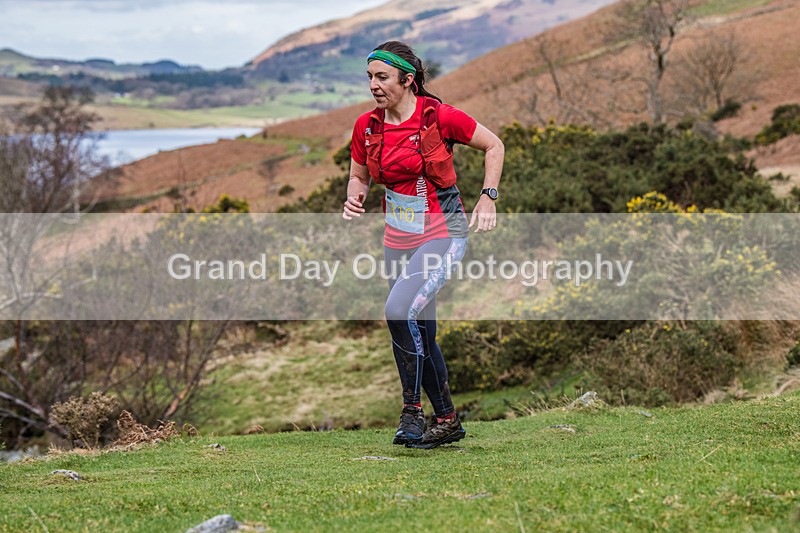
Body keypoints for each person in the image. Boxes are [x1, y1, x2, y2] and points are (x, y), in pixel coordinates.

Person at [342, 41, 504, 449]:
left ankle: (412, 412)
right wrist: (355, 195)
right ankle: (447, 420)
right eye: (370, 77)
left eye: (382, 77)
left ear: (407, 79)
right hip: (397, 239)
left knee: (398, 311)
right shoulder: (367, 126)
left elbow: (494, 145)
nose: (374, 85)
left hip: (442, 233)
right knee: (420, 328)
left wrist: (488, 196)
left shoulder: (439, 117)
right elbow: (358, 174)